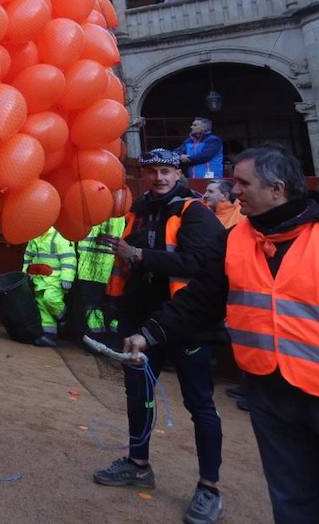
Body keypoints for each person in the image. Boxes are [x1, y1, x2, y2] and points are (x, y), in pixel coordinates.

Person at [127, 147, 319, 524]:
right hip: (272, 397)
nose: (235, 192)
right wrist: (151, 332)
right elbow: (201, 299)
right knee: (294, 506)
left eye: (243, 183)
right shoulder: (234, 240)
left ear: (277, 188)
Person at [93, 148, 226, 524]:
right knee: (138, 395)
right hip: (141, 321)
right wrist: (116, 308)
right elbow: (125, 267)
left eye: (166, 171)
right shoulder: (138, 210)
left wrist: (139, 255)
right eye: (152, 171)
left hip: (186, 323)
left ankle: (209, 486)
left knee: (200, 404)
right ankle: (138, 463)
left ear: (177, 174)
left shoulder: (195, 213)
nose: (159, 178)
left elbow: (199, 264)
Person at [69, 214, 127, 337]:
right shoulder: (121, 214)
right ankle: (98, 336)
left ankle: (97, 336)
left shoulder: (93, 209)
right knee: (95, 306)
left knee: (93, 306)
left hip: (92, 269)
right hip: (103, 270)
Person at [22, 226, 75, 346]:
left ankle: (63, 317)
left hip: (55, 279)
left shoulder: (60, 235)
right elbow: (28, 257)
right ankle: (49, 335)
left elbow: (68, 259)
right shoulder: (34, 236)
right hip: (39, 279)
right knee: (42, 307)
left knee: (50, 299)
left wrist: (67, 278)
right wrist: (25, 273)